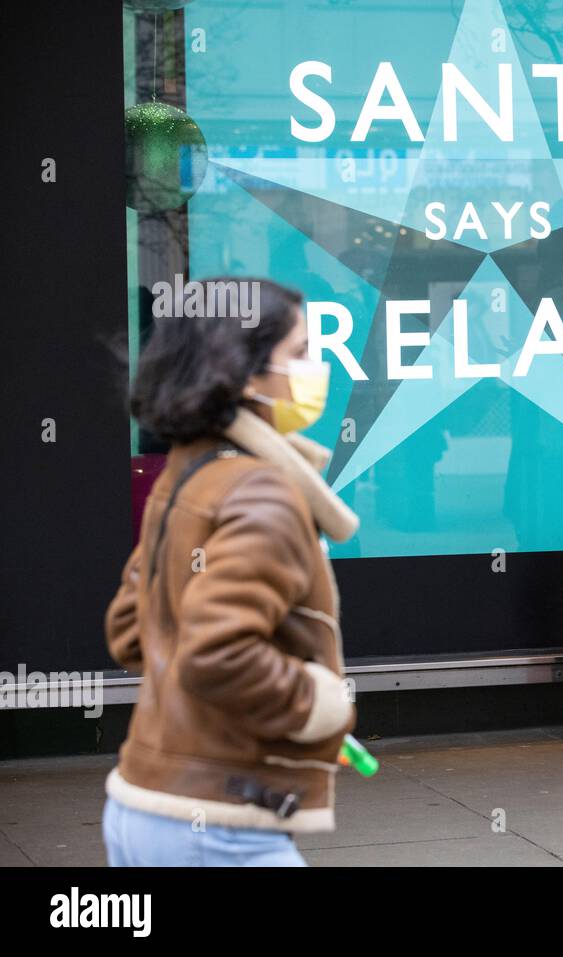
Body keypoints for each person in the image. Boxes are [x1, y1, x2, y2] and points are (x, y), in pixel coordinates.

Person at [102, 278, 360, 866]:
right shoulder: (262, 492)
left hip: (141, 806)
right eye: (299, 353)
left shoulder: (189, 474)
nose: (316, 367)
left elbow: (128, 630)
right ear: (243, 374)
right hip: (219, 827)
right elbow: (218, 652)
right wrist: (319, 701)